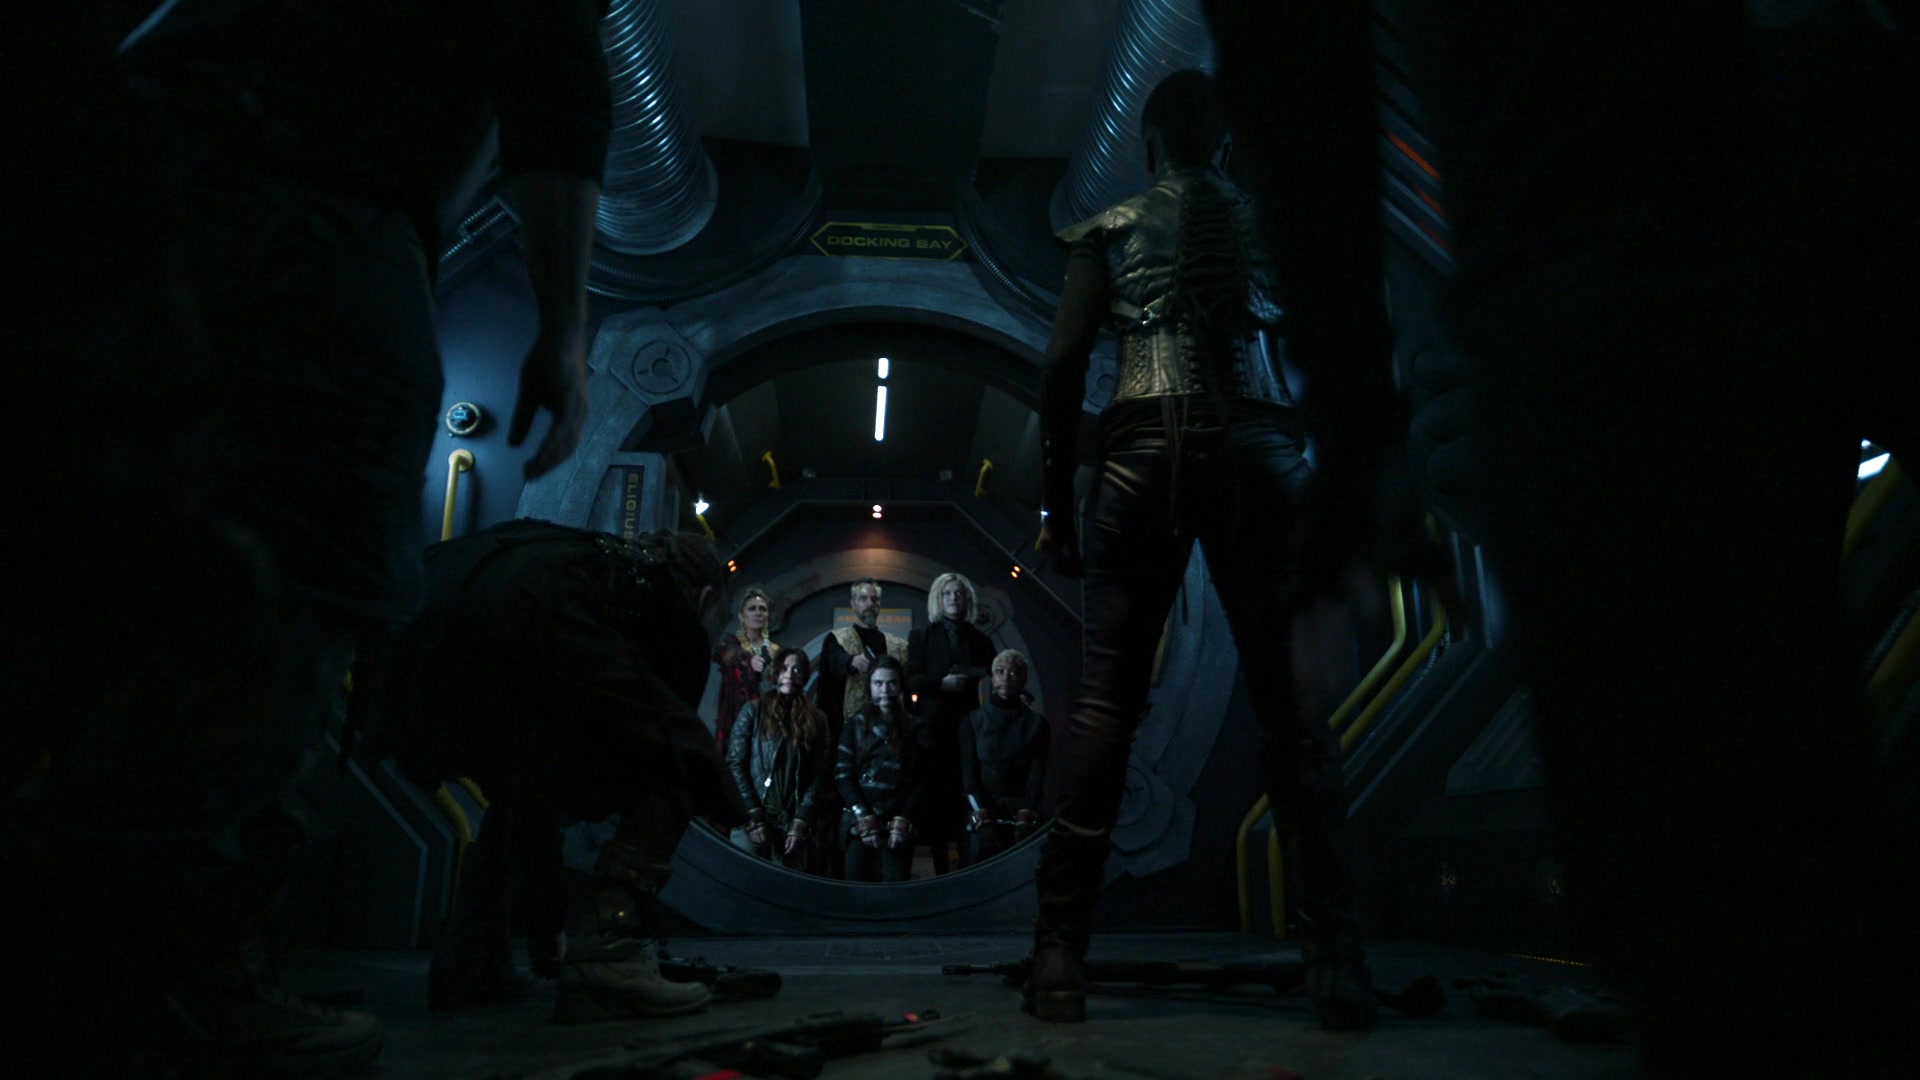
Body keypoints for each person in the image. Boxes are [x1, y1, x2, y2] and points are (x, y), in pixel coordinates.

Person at [1200, 0, 1920, 1071]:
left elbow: (1299, 73)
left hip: (1599, 253)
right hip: (1827, 119)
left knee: (1708, 846)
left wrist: (1353, 432)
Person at [6, 2, 613, 1073]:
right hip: (307, 239)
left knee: (90, 563)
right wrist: (564, 338)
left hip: (102, 203)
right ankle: (174, 979)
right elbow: (555, 95)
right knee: (288, 572)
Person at [1028, 69, 1377, 1030]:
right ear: (1225, 145)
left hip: (1142, 451)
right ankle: (1337, 959)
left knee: (1107, 704)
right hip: (1264, 451)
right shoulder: (1279, 229)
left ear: (1149, 147)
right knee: (1292, 712)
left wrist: (1058, 505)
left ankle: (1059, 952)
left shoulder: (1110, 230)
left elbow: (1060, 367)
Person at [358, 519, 748, 1023]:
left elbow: (531, 794)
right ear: (708, 596)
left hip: (417, 622)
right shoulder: (666, 606)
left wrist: (546, 928)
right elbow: (674, 751)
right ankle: (610, 956)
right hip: (505, 613)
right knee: (683, 763)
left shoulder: (596, 573)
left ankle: (470, 960)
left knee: (520, 783)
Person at [908, 572, 999, 873]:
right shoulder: (922, 636)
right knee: (935, 800)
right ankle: (940, 871)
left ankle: (970, 867)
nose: (953, 599)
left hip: (970, 730)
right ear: (938, 598)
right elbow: (912, 679)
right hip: (933, 731)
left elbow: (994, 677)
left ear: (967, 599)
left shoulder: (981, 640)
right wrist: (941, 684)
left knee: (970, 795)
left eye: (959, 593)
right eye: (947, 593)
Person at [727, 651, 833, 871]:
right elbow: (735, 764)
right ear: (775, 672)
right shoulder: (753, 711)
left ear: (804, 675)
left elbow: (820, 773)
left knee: (787, 886)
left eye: (797, 669)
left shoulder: (817, 719)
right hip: (753, 822)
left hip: (790, 825)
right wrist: (752, 816)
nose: (790, 674)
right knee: (744, 881)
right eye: (784, 668)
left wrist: (801, 820)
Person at [835, 658, 929, 883]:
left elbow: (921, 779)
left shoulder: (915, 727)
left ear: (900, 685)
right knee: (855, 885)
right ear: (870, 686)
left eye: (891, 683)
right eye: (878, 683)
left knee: (895, 887)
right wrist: (862, 815)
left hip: (897, 819)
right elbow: (843, 775)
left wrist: (903, 818)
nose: (885, 690)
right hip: (860, 816)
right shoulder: (854, 725)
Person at [959, 650, 1051, 864]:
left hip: (1021, 806)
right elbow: (969, 777)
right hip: (983, 805)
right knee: (981, 850)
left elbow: (1037, 774)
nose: (1006, 678)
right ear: (992, 678)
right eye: (1000, 672)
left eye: (1014, 673)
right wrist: (981, 815)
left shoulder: (1037, 724)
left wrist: (1027, 812)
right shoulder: (972, 722)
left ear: (1023, 680)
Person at [817, 578, 912, 738]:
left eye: (874, 599)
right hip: (846, 729)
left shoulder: (897, 645)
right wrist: (850, 661)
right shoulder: (836, 639)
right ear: (853, 603)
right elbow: (833, 663)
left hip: (890, 729)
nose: (870, 603)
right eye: (863, 598)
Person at [714, 586, 782, 755]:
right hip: (736, 719)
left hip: (764, 721)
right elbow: (726, 654)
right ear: (741, 615)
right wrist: (749, 660)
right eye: (752, 609)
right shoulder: (730, 644)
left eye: (762, 609)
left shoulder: (774, 650)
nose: (758, 613)